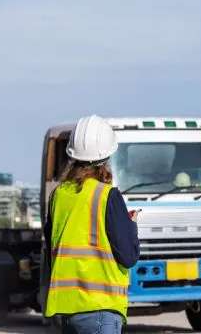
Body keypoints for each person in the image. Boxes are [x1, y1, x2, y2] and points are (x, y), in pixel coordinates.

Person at [43, 114, 141, 334]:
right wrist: (131, 225)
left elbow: (54, 249)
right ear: (106, 157)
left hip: (67, 310)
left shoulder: (58, 196)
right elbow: (128, 256)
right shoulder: (107, 196)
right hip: (100, 308)